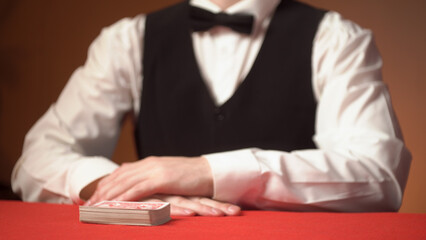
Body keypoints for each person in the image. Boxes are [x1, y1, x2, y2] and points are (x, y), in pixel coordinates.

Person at [11, 0, 411, 216]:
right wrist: (121, 187)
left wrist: (205, 172)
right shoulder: (127, 40)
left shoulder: (336, 39)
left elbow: (379, 178)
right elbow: (37, 158)